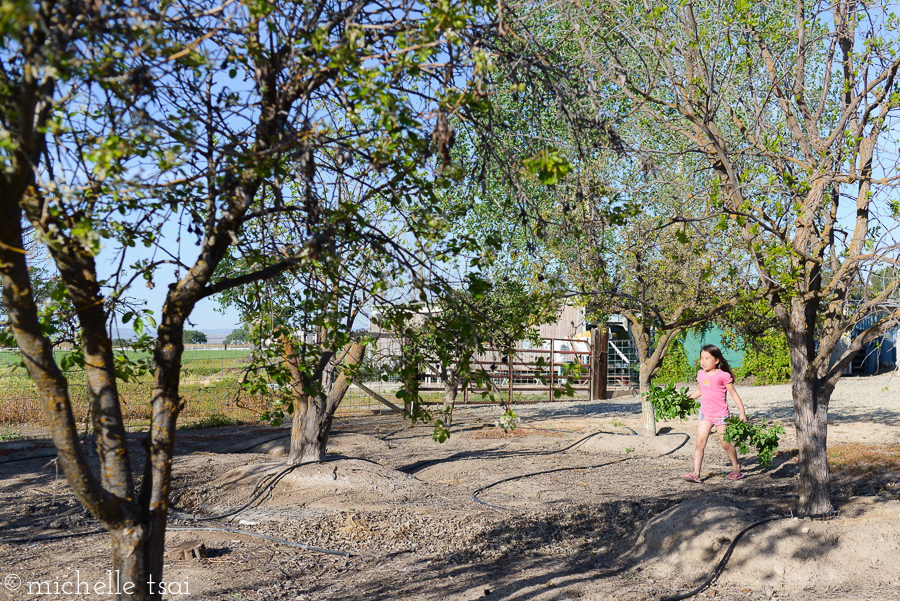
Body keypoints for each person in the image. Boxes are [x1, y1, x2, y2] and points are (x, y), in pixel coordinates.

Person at [682, 344, 747, 483]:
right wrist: (685, 401)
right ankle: (696, 473)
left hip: (721, 415)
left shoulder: (723, 375)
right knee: (700, 442)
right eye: (701, 358)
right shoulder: (700, 374)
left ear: (717, 360)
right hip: (705, 414)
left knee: (725, 444)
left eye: (707, 358)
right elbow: (700, 391)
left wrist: (742, 412)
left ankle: (736, 467)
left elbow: (734, 394)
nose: (703, 361)